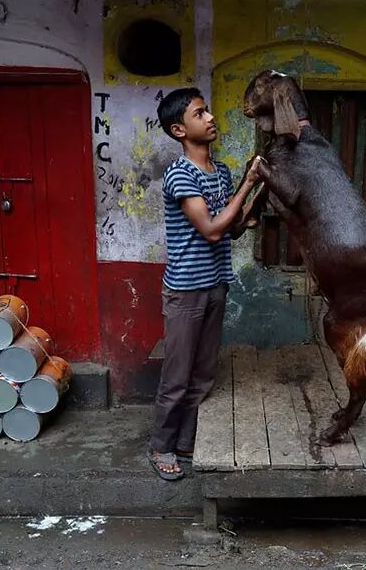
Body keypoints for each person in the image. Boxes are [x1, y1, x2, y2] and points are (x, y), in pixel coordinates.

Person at [149, 87, 262, 480]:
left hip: (216, 285)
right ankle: (161, 446)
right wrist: (247, 186)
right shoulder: (180, 174)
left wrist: (251, 209)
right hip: (185, 291)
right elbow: (213, 230)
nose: (211, 117)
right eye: (200, 114)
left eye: (208, 111)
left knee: (203, 374)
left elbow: (230, 229)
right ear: (180, 130)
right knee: (177, 377)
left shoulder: (223, 172)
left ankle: (185, 441)